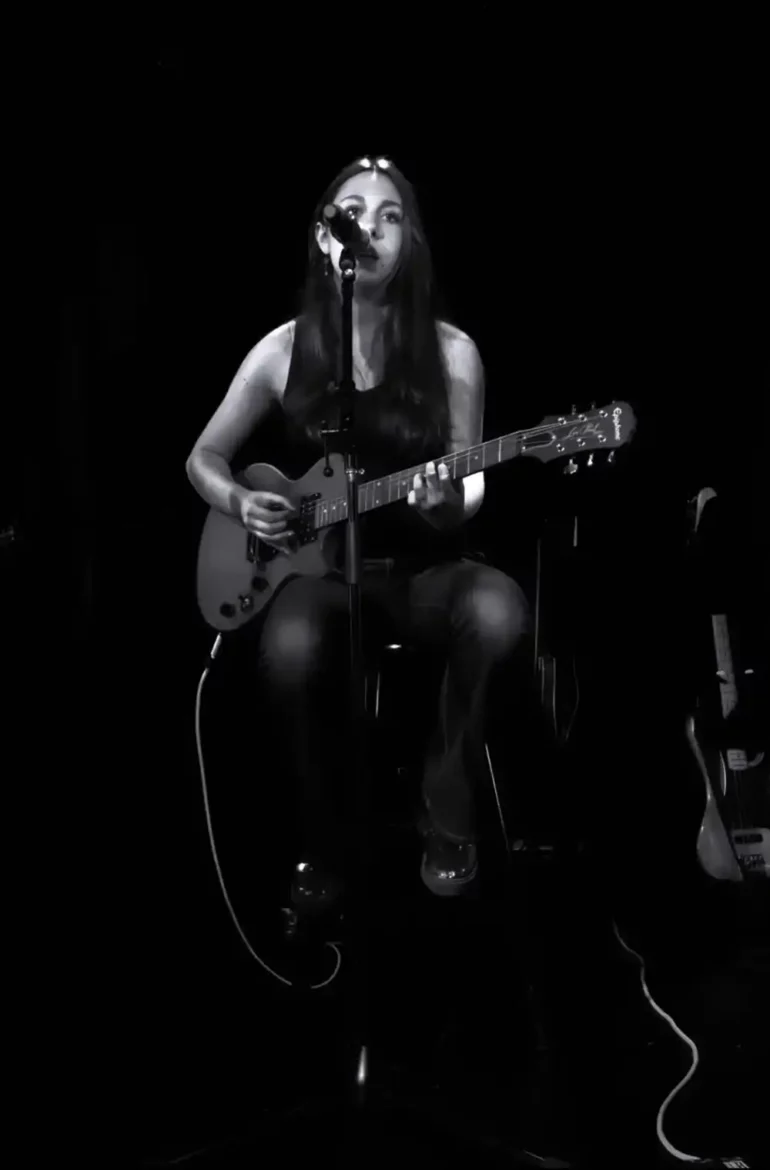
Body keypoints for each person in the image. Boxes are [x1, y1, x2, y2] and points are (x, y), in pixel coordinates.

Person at [186, 156, 532, 910]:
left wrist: (447, 506)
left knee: (500, 610)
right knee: (290, 645)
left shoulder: (452, 351)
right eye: (353, 213)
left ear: (411, 239)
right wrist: (243, 503)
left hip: (422, 570)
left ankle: (448, 798)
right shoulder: (282, 348)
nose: (371, 228)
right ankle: (327, 834)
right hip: (319, 574)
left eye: (391, 216)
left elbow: (466, 482)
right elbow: (203, 458)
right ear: (323, 238)